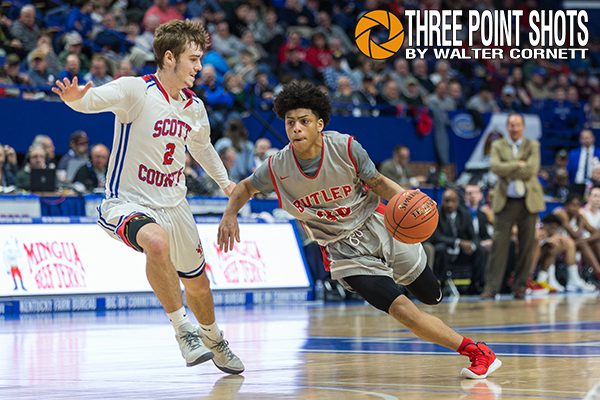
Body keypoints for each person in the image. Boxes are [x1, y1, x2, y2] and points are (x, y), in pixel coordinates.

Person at [217, 81, 501, 379]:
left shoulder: (346, 148)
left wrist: (409, 201)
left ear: (319, 124)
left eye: (304, 121)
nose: (296, 129)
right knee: (403, 311)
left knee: (431, 296)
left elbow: (378, 182)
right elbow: (246, 187)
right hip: (343, 250)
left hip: (378, 224)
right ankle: (477, 352)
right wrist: (229, 214)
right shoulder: (277, 166)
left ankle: (406, 277)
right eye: (290, 123)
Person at [51, 20, 244, 374]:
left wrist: (226, 183)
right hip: (128, 201)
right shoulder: (134, 91)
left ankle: (214, 339)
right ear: (169, 58)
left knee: (199, 285)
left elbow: (202, 148)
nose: (199, 68)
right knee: (156, 242)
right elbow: (92, 100)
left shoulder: (193, 106)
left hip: (176, 204)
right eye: (194, 59)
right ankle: (183, 330)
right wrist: (75, 100)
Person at [481, 113, 546, 299]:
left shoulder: (533, 145)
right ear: (507, 127)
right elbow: (495, 167)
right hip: (505, 201)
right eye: (511, 125)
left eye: (517, 125)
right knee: (499, 245)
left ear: (523, 127)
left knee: (527, 245)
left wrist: (508, 168)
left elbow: (532, 169)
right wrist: (518, 164)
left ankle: (520, 286)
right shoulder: (498, 145)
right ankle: (491, 287)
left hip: (528, 202)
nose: (514, 128)